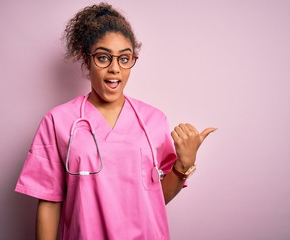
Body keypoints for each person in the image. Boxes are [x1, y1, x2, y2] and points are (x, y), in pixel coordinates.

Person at [15, 2, 216, 240]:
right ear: (86, 59)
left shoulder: (153, 120)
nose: (114, 69)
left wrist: (184, 164)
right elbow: (49, 201)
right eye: (103, 57)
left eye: (124, 58)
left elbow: (156, 197)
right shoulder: (58, 121)